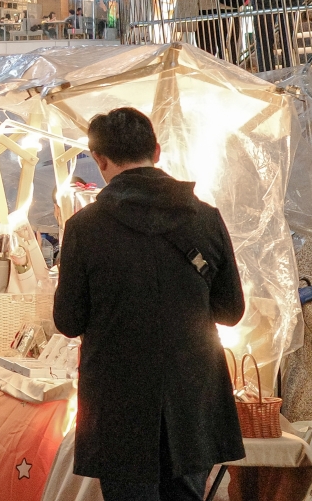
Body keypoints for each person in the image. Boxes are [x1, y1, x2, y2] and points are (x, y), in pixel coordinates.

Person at [54, 108, 245, 501]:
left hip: (118, 402)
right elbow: (230, 311)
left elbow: (69, 321)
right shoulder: (207, 218)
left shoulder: (84, 228)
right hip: (192, 397)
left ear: (101, 161)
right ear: (156, 151)